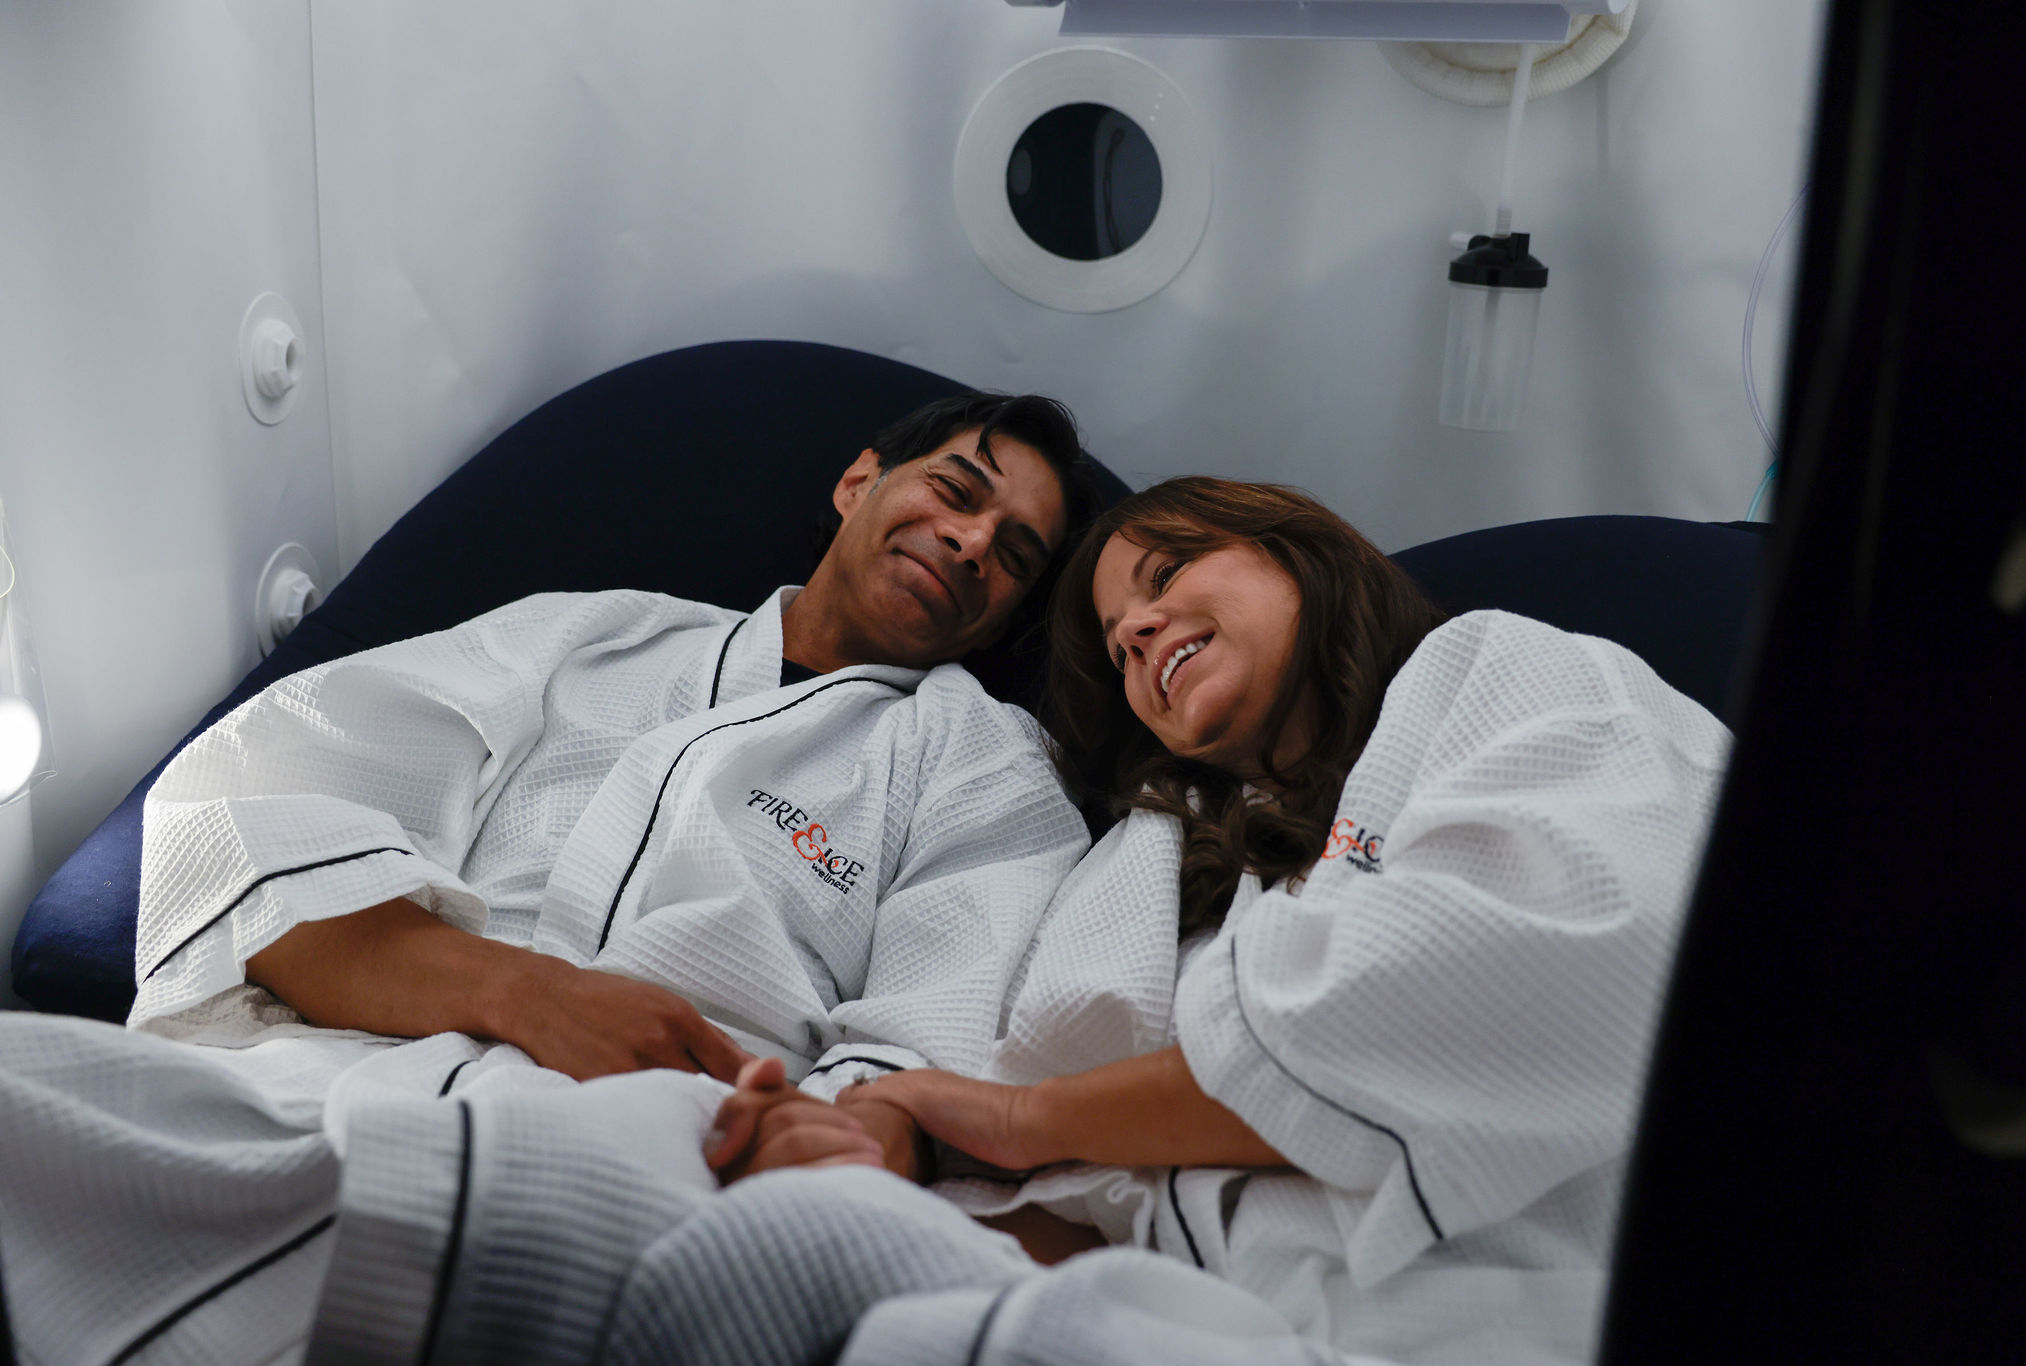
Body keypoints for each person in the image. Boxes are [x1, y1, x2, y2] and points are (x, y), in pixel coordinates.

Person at [0, 392, 1103, 1365]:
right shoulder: (594, 637)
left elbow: (943, 1027)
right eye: (956, 491)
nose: (972, 543)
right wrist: (527, 995)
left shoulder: (984, 764)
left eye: (1013, 554)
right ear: (858, 482)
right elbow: (254, 810)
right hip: (346, 1074)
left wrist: (846, 1140)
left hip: (681, 1148)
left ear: (1007, 616)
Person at [705, 476, 1732, 1365]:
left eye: (1164, 577)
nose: (1135, 632)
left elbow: (1521, 970)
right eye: (1118, 643)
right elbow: (1063, 1147)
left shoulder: (1500, 672)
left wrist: (1020, 1124)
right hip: (1193, 1312)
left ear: (1295, 549)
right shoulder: (1170, 867)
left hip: (1485, 1308)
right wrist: (876, 1154)